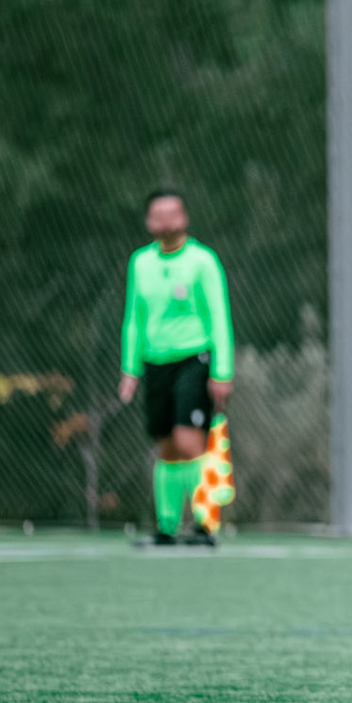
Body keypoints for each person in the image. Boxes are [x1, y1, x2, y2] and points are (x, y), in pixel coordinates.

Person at [117, 189, 234, 546]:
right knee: (165, 445)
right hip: (155, 364)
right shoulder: (140, 262)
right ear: (149, 221)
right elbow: (134, 318)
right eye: (158, 214)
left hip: (193, 360)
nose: (166, 220)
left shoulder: (203, 261)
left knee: (189, 441)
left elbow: (219, 316)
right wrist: (130, 368)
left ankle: (203, 525)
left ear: (184, 217)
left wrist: (222, 371)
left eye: (173, 213)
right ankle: (166, 527)